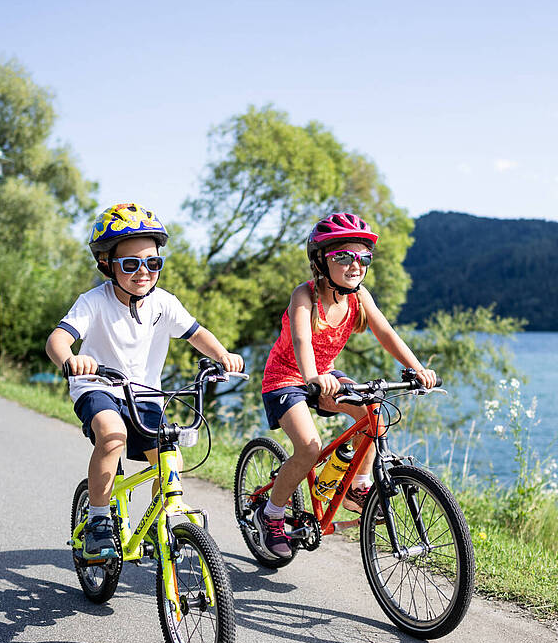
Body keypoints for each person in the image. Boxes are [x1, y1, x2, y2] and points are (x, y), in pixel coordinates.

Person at [46, 203, 243, 560]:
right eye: (131, 264)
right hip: (97, 386)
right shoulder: (93, 302)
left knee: (171, 461)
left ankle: (159, 524)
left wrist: (222, 354)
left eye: (153, 263)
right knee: (112, 435)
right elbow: (57, 340)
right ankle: (98, 519)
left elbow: (197, 333)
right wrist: (71, 360)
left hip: (144, 395)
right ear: (106, 264)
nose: (144, 272)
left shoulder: (164, 303)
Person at [259, 212, 436, 559]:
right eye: (343, 256)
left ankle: (358, 486)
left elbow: (386, 333)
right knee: (309, 448)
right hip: (286, 379)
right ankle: (272, 514)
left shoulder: (359, 296)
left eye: (363, 258)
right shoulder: (304, 295)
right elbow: (301, 340)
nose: (355, 265)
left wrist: (417, 368)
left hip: (325, 376)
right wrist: (312, 377)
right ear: (320, 261)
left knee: (374, 416)